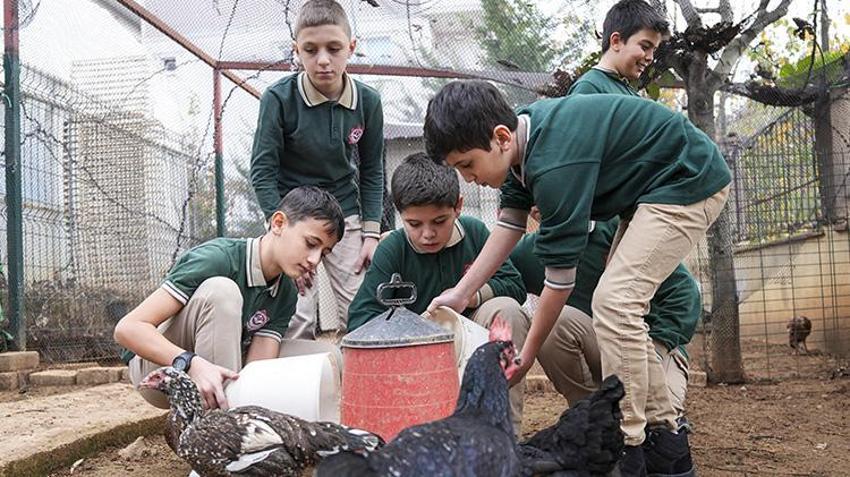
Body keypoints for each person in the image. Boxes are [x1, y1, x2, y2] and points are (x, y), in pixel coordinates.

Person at [423, 80, 731, 476]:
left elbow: (559, 282)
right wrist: (461, 293)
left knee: (615, 302)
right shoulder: (524, 147)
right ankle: (668, 444)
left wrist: (528, 352)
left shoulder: (554, 164)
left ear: (500, 137)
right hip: (651, 192)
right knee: (617, 303)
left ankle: (630, 445)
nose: (467, 178)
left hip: (687, 179)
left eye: (467, 164)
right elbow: (510, 223)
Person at [347, 152, 530, 436]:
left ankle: (505, 435)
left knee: (507, 311)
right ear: (399, 215)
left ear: (458, 207)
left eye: (439, 221)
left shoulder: (475, 232)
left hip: (474, 344)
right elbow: (360, 319)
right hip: (418, 359)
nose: (427, 234)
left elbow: (514, 285)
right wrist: (410, 327)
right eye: (415, 224)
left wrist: (470, 295)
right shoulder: (393, 249)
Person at [115, 186, 345, 410]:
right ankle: (224, 428)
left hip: (226, 363)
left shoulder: (286, 292)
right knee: (222, 291)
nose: (315, 260)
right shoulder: (217, 258)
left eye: (323, 253)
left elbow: (258, 368)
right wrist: (192, 362)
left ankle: (270, 429)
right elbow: (128, 329)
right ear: (278, 223)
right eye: (311, 244)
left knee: (329, 358)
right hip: (161, 369)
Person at [511, 217, 699, 476]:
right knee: (554, 321)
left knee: (658, 421)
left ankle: (660, 440)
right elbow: (503, 277)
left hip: (649, 346)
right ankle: (594, 422)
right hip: (597, 346)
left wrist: (651, 355)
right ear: (533, 211)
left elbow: (683, 293)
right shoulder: (530, 251)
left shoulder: (617, 229)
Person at [250, 0, 384, 339]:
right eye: (310, 50)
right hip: (293, 218)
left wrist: (371, 233)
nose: (323, 60)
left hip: (346, 214)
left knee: (361, 309)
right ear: (296, 50)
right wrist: (282, 231)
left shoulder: (368, 102)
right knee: (297, 314)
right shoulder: (278, 99)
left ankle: (360, 387)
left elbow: (371, 171)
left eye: (333, 48)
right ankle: (292, 388)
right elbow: (262, 170)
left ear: (351, 48)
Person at [568, 0, 669, 96]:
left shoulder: (626, 89)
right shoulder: (590, 88)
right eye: (645, 47)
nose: (650, 58)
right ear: (616, 41)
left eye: (654, 50)